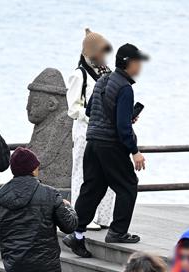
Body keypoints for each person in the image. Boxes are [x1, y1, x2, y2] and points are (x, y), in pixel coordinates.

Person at [63, 43, 149, 257]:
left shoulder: (102, 80)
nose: (140, 66)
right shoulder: (125, 88)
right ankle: (118, 231)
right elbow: (122, 127)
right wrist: (135, 151)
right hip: (111, 144)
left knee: (92, 188)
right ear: (129, 63)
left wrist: (122, 116)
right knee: (128, 185)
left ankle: (77, 234)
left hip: (92, 142)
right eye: (138, 62)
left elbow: (90, 110)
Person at [66, 28, 114, 230]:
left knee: (108, 172)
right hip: (85, 130)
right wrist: (92, 114)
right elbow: (73, 108)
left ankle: (104, 216)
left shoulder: (108, 72)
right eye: (100, 52)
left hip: (105, 130)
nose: (103, 56)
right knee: (83, 173)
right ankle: (82, 215)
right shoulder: (79, 75)